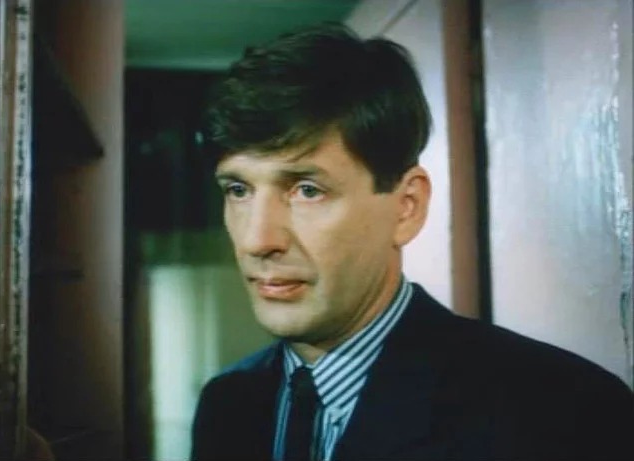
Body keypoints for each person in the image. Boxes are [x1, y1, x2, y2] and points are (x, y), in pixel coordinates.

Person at [191, 23, 633, 461]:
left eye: (308, 190)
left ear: (407, 207)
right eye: (238, 190)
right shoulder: (227, 404)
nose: (257, 241)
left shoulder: (561, 410)